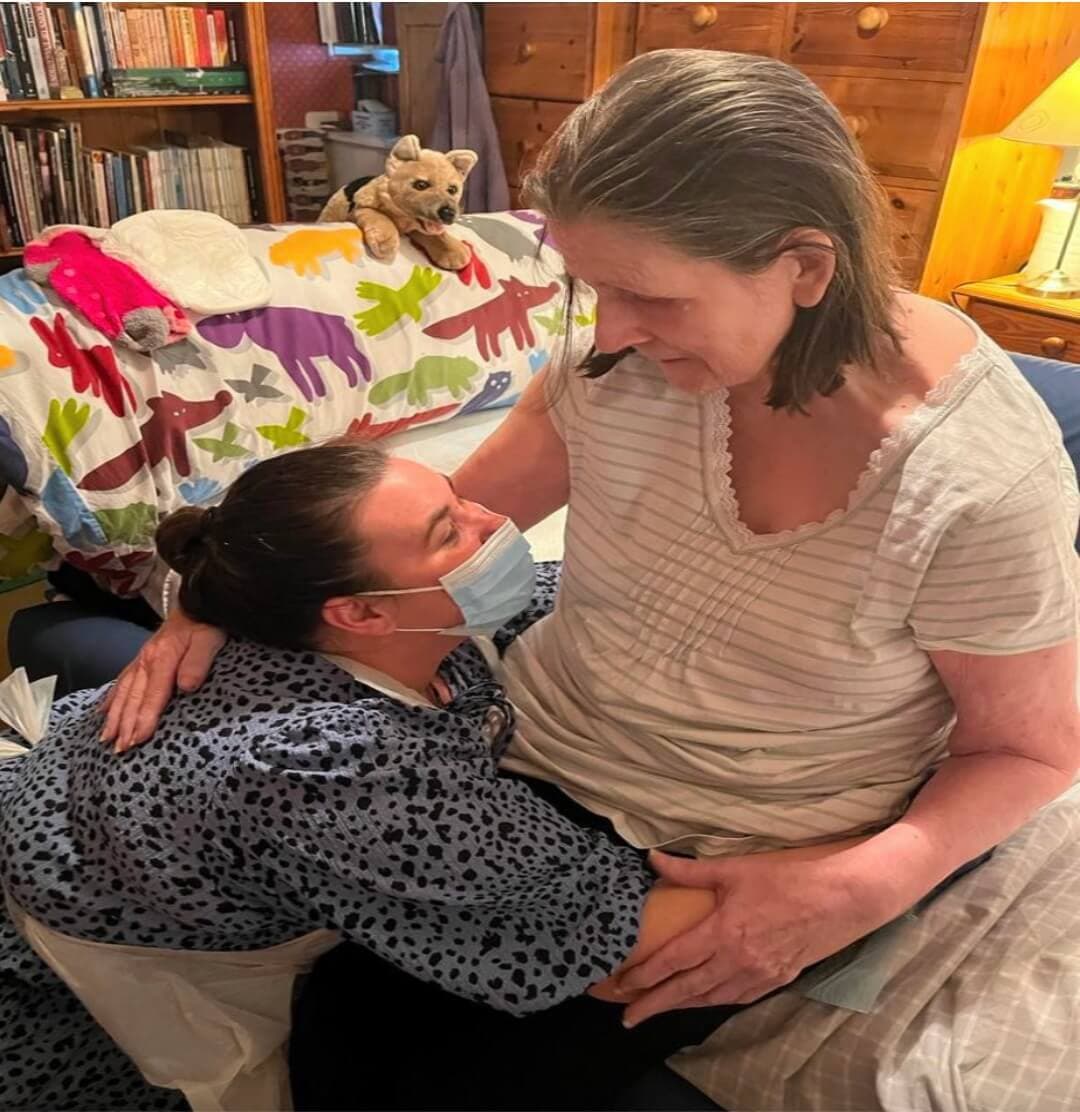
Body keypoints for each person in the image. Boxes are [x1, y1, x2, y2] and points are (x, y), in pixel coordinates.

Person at [105, 47, 1079, 1054]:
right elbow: (432, 521)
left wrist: (857, 886)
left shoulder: (975, 480)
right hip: (532, 755)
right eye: (588, 286)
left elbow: (1033, 748)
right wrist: (216, 587)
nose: (610, 331)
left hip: (740, 840)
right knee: (347, 1010)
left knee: (412, 1050)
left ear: (804, 266)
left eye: (650, 295)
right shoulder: (612, 371)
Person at [2, 440, 864, 1112]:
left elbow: (564, 598)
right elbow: (597, 931)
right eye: (448, 532)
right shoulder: (331, 761)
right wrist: (866, 870)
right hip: (74, 936)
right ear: (362, 613)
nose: (493, 523)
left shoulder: (309, 610)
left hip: (106, 804)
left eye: (458, 500)